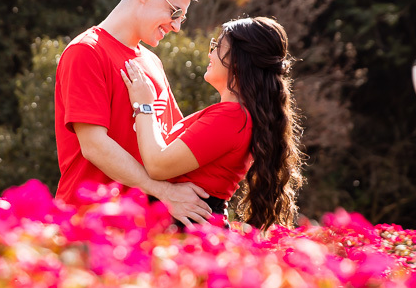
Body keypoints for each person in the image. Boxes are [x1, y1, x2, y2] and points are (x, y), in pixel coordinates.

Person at [54, 0, 213, 223]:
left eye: (182, 19)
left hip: (144, 230)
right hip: (88, 225)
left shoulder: (152, 62)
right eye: (175, 13)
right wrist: (164, 192)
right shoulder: (86, 52)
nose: (175, 27)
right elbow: (93, 145)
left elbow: (172, 142)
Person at [120, 16, 304, 230]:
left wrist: (144, 105)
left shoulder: (232, 117)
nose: (210, 53)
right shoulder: (233, 116)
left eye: (217, 46)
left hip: (187, 231)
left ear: (237, 60)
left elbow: (157, 165)